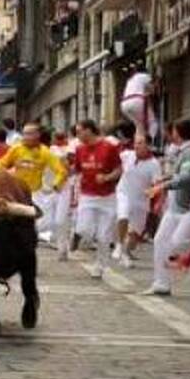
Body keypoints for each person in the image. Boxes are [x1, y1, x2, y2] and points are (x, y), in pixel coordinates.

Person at [142, 118, 190, 296]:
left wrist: (162, 186)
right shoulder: (182, 151)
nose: (170, 133)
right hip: (176, 208)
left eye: (173, 130)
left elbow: (185, 177)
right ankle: (161, 283)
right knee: (160, 240)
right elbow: (180, 173)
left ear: (178, 132)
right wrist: (165, 178)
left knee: (177, 244)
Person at [72, 120, 122, 279]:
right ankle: (80, 236)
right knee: (84, 229)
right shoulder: (79, 149)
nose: (77, 135)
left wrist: (107, 177)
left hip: (107, 197)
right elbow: (77, 170)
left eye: (79, 131)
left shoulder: (109, 147)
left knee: (103, 236)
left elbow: (119, 169)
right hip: (87, 195)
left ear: (89, 130)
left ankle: (100, 265)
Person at [114, 134, 159, 267]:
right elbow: (113, 160)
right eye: (135, 143)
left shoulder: (154, 164)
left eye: (140, 143)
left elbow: (156, 184)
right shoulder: (127, 155)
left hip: (141, 199)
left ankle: (125, 252)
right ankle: (119, 245)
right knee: (123, 216)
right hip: (123, 193)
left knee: (136, 233)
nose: (136, 146)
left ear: (148, 146)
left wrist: (153, 193)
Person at [0, 123, 68, 197]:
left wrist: (56, 184)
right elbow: (0, 164)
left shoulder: (45, 152)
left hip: (36, 194)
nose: (25, 137)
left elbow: (61, 170)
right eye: (24, 134)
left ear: (37, 135)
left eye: (29, 134)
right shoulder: (16, 149)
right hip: (17, 192)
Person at [120, 66, 160, 143]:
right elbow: (152, 90)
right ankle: (152, 141)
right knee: (152, 121)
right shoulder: (145, 76)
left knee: (139, 126)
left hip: (124, 104)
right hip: (136, 101)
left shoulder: (130, 80)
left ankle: (138, 142)